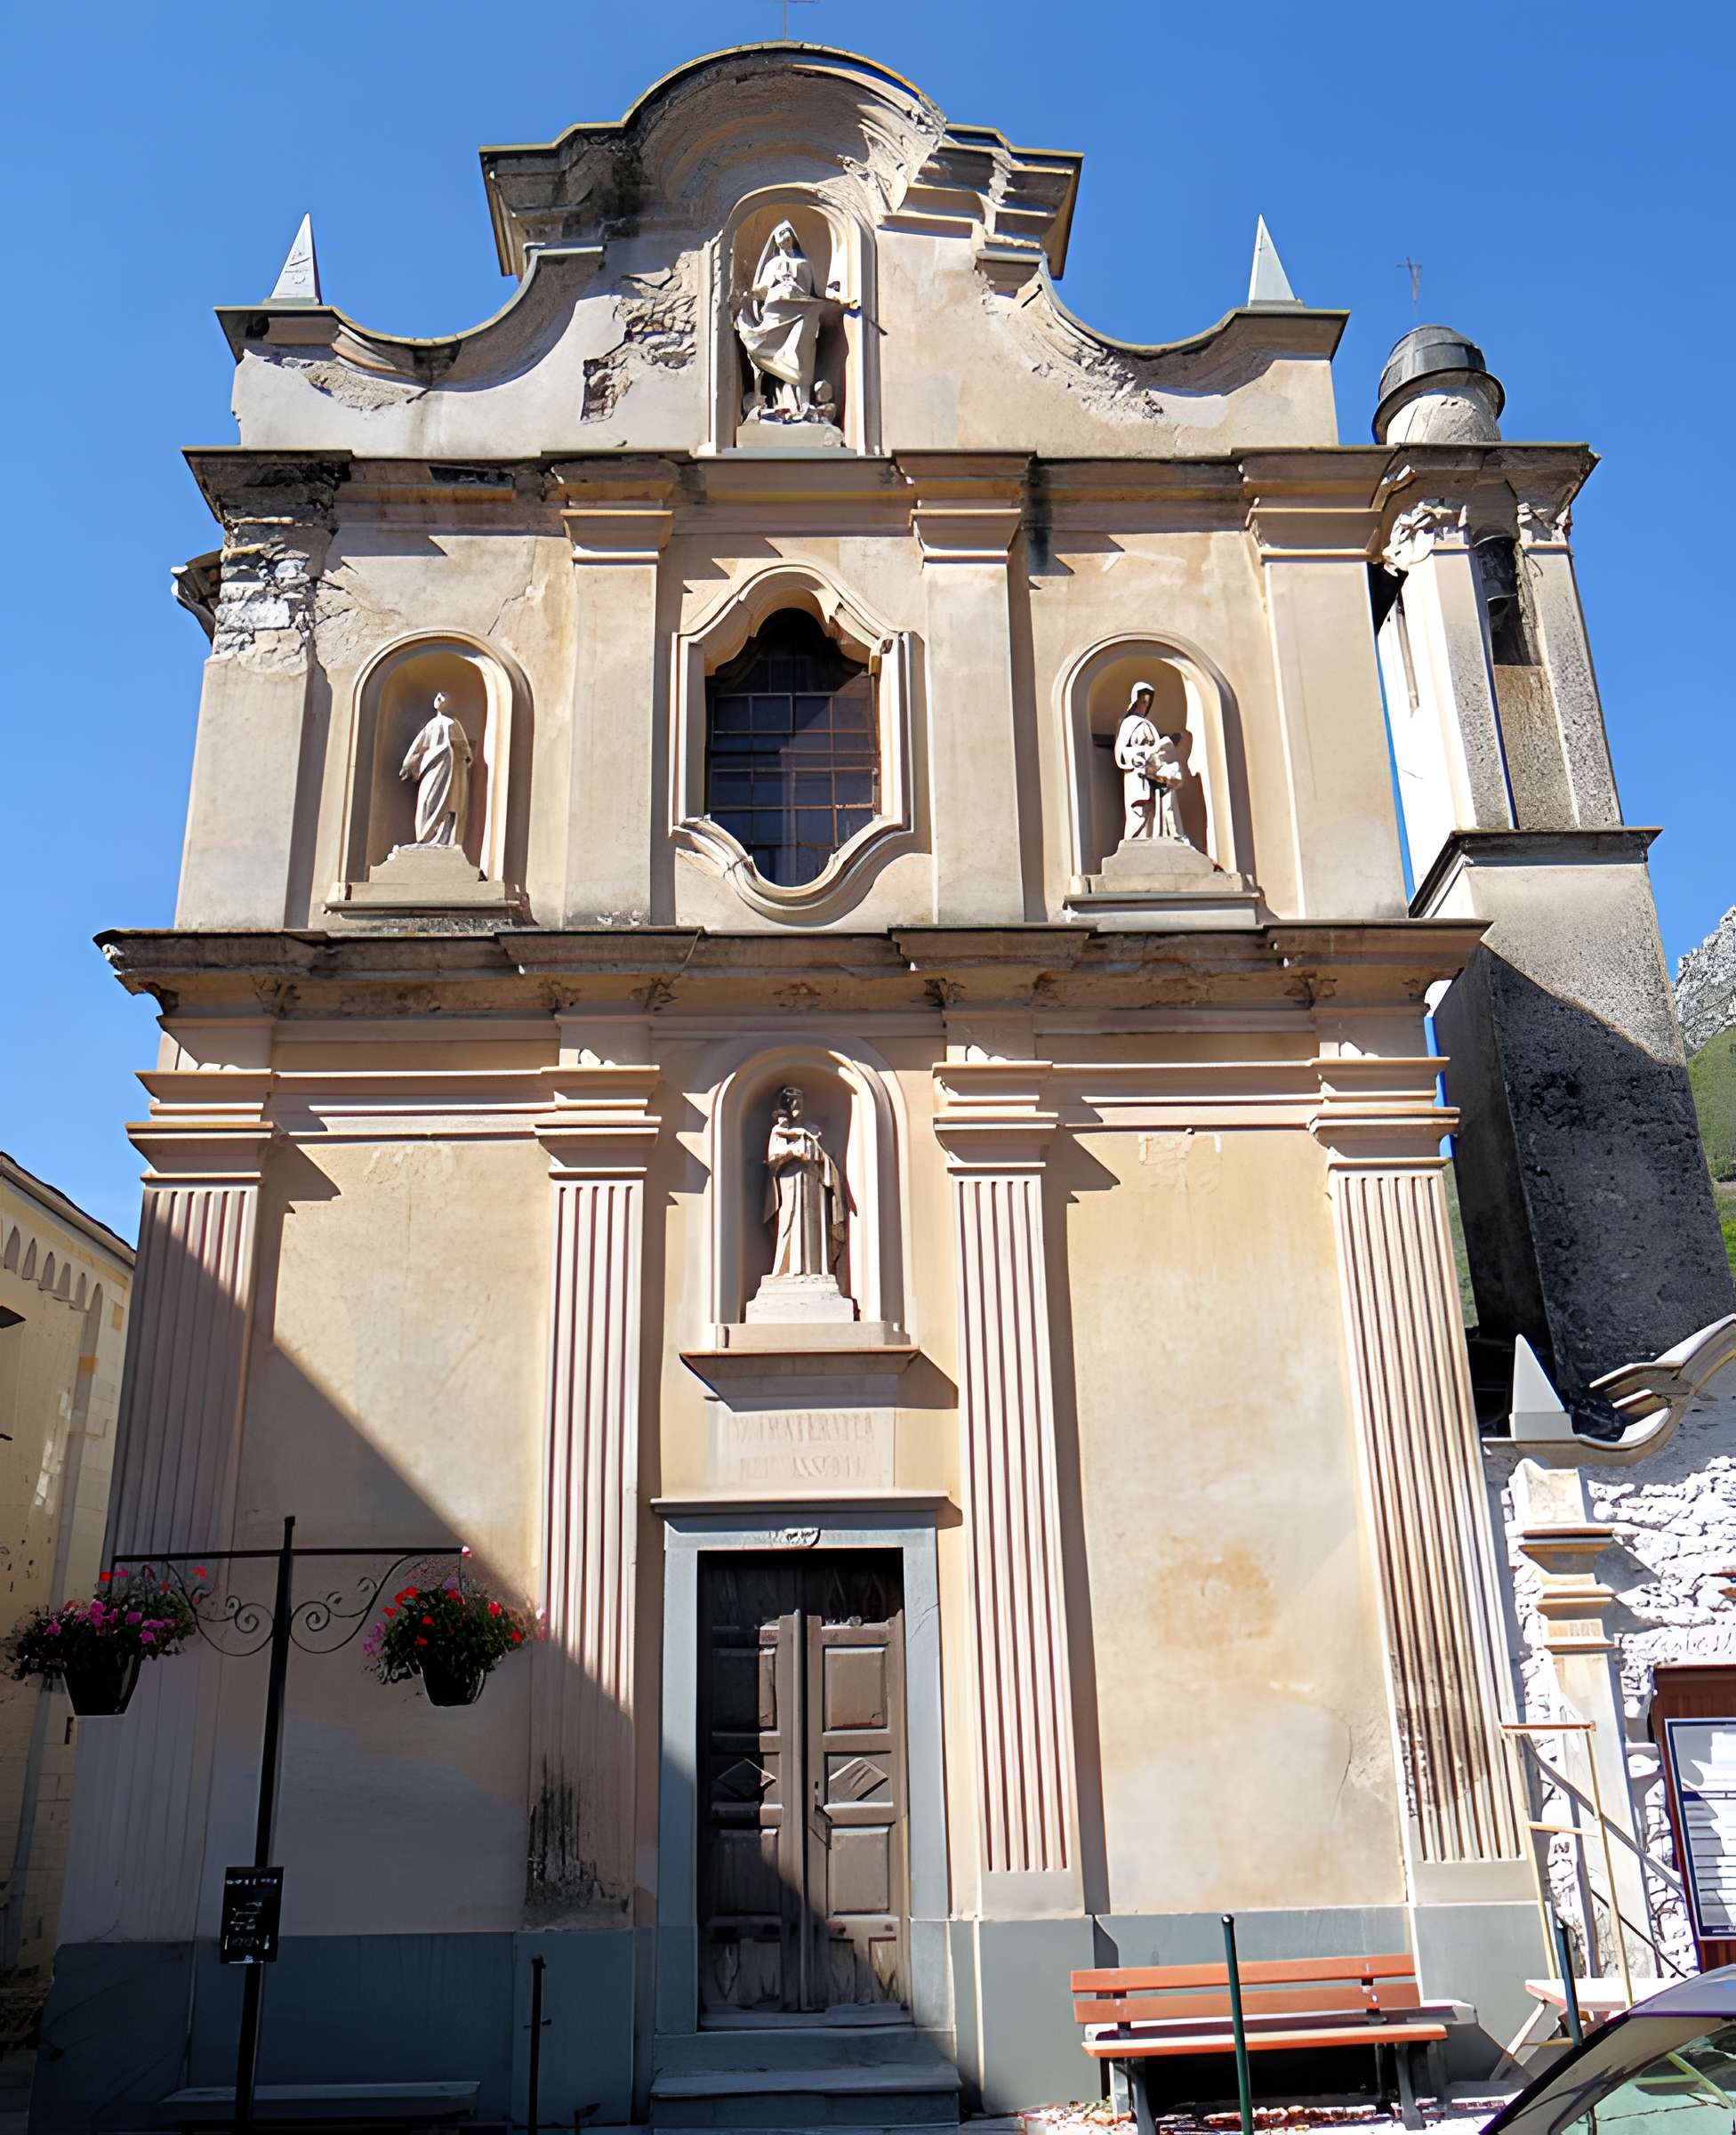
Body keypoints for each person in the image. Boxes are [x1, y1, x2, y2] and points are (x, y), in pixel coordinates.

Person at [735, 222, 824, 420]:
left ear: (793, 236)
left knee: (800, 356)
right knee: (772, 352)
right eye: (780, 233)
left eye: (787, 232)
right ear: (775, 239)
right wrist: (765, 286)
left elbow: (813, 292)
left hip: (802, 312)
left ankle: (803, 405)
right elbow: (761, 290)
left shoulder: (805, 264)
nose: (783, 236)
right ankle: (774, 402)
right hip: (778, 311)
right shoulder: (773, 264)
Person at [763, 1085, 847, 1277]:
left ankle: (815, 1269)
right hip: (788, 1180)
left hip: (812, 1180)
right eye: (792, 1101)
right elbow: (773, 1157)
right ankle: (786, 1268)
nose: (796, 1105)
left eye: (799, 1100)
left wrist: (813, 1153)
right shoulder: (779, 1130)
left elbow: (821, 1156)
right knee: (789, 1221)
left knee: (813, 1223)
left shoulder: (812, 1129)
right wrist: (792, 1151)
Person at [398, 691, 472, 849]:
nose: (439, 699)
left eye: (443, 696)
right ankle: (425, 837)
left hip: (448, 768)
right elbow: (418, 747)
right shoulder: (431, 725)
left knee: (446, 801)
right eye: (437, 696)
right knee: (427, 800)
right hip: (431, 767)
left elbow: (464, 749)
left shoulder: (453, 724)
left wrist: (463, 755)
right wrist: (409, 765)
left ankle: (443, 839)